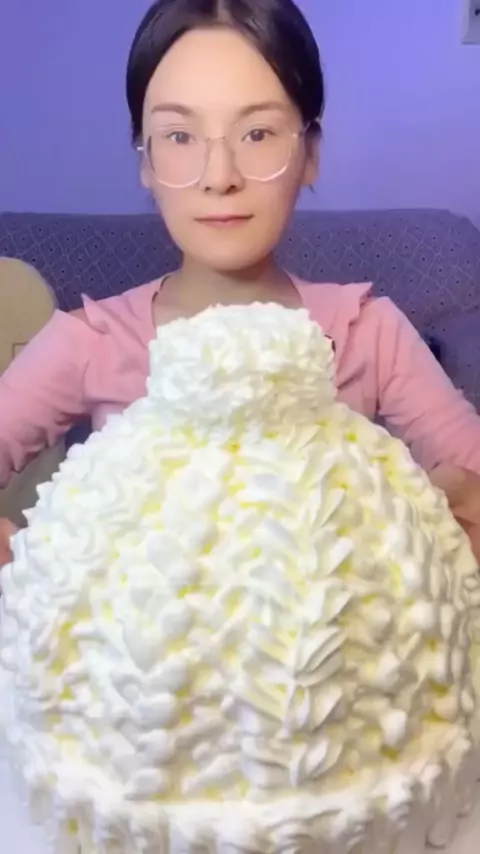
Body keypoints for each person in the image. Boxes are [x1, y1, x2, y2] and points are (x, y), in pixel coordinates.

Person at [1, 0, 480, 567]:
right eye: (179, 136)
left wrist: (435, 517)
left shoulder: (368, 331)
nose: (220, 176)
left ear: (310, 152)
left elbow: (470, 471)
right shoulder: (90, 339)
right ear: (145, 161)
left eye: (257, 133)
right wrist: (29, 567)